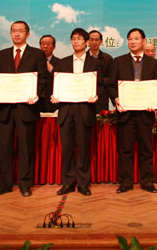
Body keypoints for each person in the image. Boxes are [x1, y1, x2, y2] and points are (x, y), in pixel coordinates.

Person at [109, 28, 157, 194]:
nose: (133, 42)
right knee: (125, 150)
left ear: (143, 41)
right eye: (130, 39)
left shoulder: (154, 64)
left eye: (136, 38)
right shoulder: (118, 61)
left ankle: (148, 182)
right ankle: (125, 183)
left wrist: (154, 97)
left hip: (145, 113)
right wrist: (116, 98)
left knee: (146, 150)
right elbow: (111, 85)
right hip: (125, 113)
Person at [0, 21, 47, 197]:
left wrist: (36, 93)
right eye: (14, 31)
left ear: (27, 34)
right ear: (10, 33)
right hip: (5, 109)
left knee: (25, 148)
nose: (17, 34)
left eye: (20, 31)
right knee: (4, 149)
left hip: (26, 108)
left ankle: (25, 184)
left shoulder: (37, 54)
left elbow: (43, 78)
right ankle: (4, 184)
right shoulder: (1, 55)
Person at [51, 28, 103, 196]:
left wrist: (95, 95)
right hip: (66, 110)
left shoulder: (95, 63)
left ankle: (83, 184)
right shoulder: (62, 62)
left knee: (83, 149)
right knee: (67, 149)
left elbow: (100, 86)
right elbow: (56, 84)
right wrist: (55, 95)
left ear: (86, 42)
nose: (76, 41)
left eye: (79, 39)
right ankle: (67, 183)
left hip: (84, 110)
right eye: (73, 39)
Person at [88, 30, 114, 113]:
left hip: (102, 97)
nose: (94, 42)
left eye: (96, 40)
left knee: (101, 119)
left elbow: (112, 78)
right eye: (91, 40)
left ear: (101, 41)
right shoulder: (83, 58)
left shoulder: (108, 58)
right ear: (87, 41)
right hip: (86, 96)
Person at [39, 34, 61, 113]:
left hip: (52, 102)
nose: (45, 46)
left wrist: (50, 67)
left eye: (48, 44)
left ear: (54, 47)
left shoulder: (60, 62)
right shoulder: (34, 61)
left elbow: (60, 79)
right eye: (43, 44)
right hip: (36, 102)